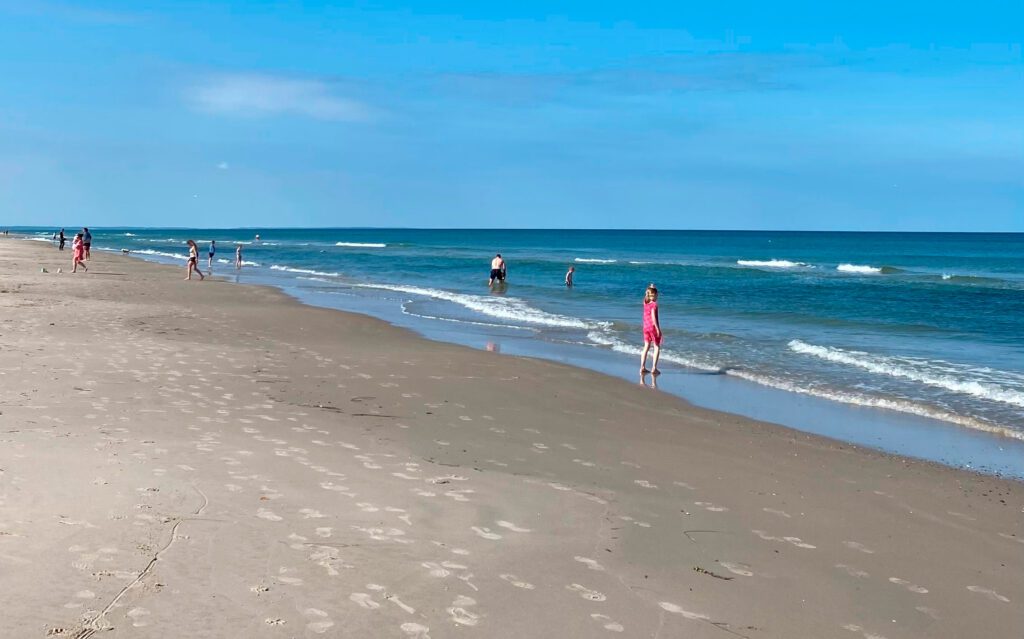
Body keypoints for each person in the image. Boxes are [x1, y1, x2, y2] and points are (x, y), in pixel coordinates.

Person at [639, 283, 662, 375]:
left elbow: (646, 295)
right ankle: (654, 368)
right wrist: (658, 329)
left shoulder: (645, 303)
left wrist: (650, 288)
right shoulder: (654, 305)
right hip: (652, 327)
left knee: (646, 346)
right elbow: (653, 317)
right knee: (656, 346)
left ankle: (642, 367)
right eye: (657, 295)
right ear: (655, 295)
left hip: (645, 327)